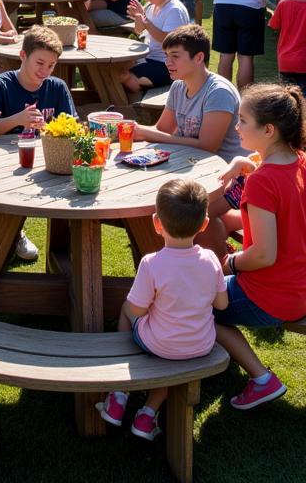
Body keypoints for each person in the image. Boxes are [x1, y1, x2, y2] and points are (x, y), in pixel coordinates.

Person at [213, 84, 306, 409]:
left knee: (196, 303)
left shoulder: (262, 182)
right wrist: (244, 162)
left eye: (243, 121)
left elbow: (263, 255)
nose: (237, 127)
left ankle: (261, 378)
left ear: (268, 129)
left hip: (271, 296)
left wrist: (229, 263)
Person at [96, 179, 228, 439]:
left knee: (125, 309)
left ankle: (119, 394)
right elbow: (222, 304)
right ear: (204, 224)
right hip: (200, 345)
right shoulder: (212, 260)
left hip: (159, 344)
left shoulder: (151, 263)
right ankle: (147, 414)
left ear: (157, 223)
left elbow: (136, 310)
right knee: (176, 361)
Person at [134, 25, 248, 258]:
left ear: (199, 58)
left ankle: (220, 267)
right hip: (198, 171)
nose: (167, 62)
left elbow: (209, 145)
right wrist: (129, 129)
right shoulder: (178, 86)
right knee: (162, 203)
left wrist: (145, 133)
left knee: (192, 213)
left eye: (175, 56)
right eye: (166, 56)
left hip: (235, 176)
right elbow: (162, 130)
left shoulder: (218, 92)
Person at [0, 26, 77, 134]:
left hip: (45, 149)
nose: (45, 71)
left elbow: (71, 128)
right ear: (23, 55)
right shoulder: (0, 85)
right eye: (40, 63)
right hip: (6, 149)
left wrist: (46, 128)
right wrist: (17, 120)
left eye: (51, 66)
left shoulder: (58, 87)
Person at [120, 0, 190, 95]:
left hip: (169, 65)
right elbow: (138, 30)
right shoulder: (152, 5)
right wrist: (138, 16)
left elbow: (167, 41)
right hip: (150, 58)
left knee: (123, 76)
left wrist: (145, 20)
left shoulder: (174, 10)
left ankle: (137, 102)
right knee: (115, 69)